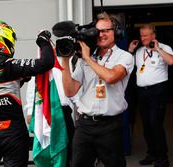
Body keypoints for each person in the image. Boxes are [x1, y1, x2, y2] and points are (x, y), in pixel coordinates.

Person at [0, 20, 54, 167]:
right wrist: (43, 41)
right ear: (1, 41)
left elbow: (4, 85)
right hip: (13, 135)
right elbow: (46, 63)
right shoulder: (10, 67)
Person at [61, 12, 134, 167]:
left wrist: (87, 58)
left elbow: (111, 77)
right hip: (84, 125)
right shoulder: (84, 59)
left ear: (116, 32)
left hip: (110, 127)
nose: (101, 34)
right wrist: (65, 62)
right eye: (98, 31)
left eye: (106, 30)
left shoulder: (125, 57)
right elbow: (70, 91)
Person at [128, 23, 173, 167]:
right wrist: (130, 50)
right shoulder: (140, 51)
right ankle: (152, 154)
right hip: (142, 92)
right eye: (141, 35)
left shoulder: (165, 48)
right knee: (146, 125)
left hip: (157, 91)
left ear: (153, 35)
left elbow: (171, 61)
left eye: (146, 35)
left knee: (155, 123)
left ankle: (162, 157)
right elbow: (127, 66)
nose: (143, 38)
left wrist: (158, 48)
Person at [25, 56, 79, 167]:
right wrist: (30, 110)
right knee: (46, 153)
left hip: (63, 113)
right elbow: (33, 87)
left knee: (68, 152)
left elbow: (76, 89)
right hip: (43, 114)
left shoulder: (72, 59)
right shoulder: (39, 63)